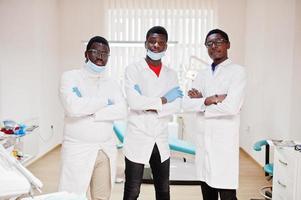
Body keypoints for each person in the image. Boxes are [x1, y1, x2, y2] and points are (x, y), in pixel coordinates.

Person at [58, 36, 127, 200]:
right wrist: (106, 102)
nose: (100, 56)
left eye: (105, 53)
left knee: (102, 197)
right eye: (95, 51)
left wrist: (91, 111)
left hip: (104, 149)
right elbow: (73, 107)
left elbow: (122, 110)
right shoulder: (70, 77)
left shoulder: (112, 83)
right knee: (71, 196)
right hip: (77, 149)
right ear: (86, 53)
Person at [182, 29, 247, 200]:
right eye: (209, 43)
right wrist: (211, 99)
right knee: (207, 194)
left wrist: (201, 103)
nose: (213, 46)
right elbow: (187, 104)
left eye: (218, 41)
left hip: (223, 144)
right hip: (203, 142)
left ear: (228, 44)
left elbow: (232, 107)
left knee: (227, 195)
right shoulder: (202, 74)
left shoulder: (237, 72)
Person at [122, 26, 183, 200]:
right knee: (132, 190)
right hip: (138, 136)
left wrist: (147, 103)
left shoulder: (171, 74)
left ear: (165, 46)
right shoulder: (133, 70)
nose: (156, 45)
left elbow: (177, 105)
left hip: (160, 138)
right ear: (145, 43)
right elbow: (134, 102)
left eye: (160, 42)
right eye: (152, 41)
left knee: (163, 190)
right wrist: (164, 100)